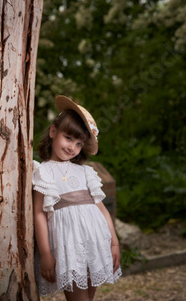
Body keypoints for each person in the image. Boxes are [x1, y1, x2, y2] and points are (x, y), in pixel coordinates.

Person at [32, 96, 121, 300]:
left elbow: (101, 209)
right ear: (53, 132)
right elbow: (39, 213)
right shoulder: (42, 171)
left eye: (79, 143)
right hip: (69, 246)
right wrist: (46, 254)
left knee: (89, 297)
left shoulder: (85, 172)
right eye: (68, 138)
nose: (72, 147)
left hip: (95, 242)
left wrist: (114, 243)